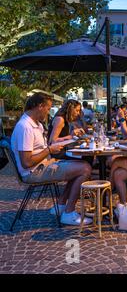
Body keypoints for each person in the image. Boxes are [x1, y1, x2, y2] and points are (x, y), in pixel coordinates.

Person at [11, 93, 92, 226]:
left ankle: (60, 206)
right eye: (48, 108)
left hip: (43, 165)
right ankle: (69, 213)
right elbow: (26, 163)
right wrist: (49, 150)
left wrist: (52, 149)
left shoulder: (35, 124)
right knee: (85, 168)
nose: (49, 112)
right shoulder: (25, 127)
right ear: (40, 106)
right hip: (34, 172)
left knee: (79, 165)